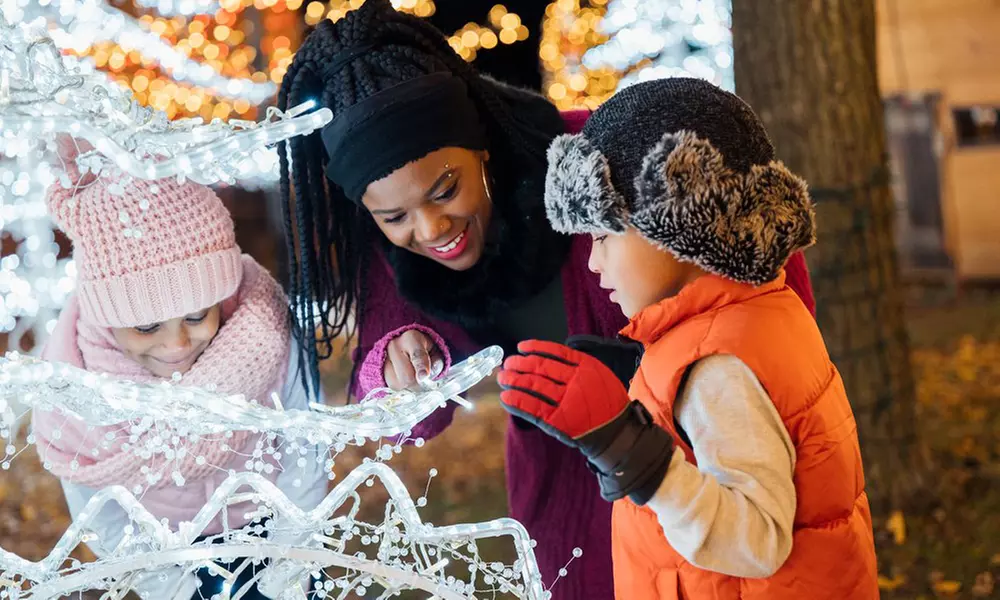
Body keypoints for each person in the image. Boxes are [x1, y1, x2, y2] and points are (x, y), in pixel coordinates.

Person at [277, 2, 816, 596]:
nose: (429, 230)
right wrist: (396, 364)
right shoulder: (394, 256)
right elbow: (410, 420)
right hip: (564, 490)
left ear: (478, 144)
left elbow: (754, 247)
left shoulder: (593, 156)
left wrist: (779, 387)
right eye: (395, 215)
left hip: (696, 466)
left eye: (445, 189)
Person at [498, 78, 878, 599]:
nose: (593, 261)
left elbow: (756, 541)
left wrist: (624, 445)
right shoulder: (756, 312)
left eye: (604, 234)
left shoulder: (716, 367)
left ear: (673, 222)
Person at [32, 139, 328, 599]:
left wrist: (291, 562)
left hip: (276, 529)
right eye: (147, 326)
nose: (176, 344)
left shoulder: (265, 331)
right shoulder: (75, 381)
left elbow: (304, 446)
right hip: (166, 551)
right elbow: (95, 503)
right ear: (106, 318)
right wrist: (163, 583)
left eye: (196, 317)